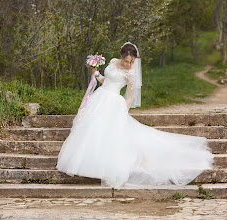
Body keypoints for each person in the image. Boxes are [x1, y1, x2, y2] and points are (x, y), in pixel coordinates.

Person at [56, 42, 214, 189]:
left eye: (131, 62)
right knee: (91, 130)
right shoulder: (111, 62)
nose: (129, 64)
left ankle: (105, 167)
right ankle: (87, 164)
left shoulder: (130, 73)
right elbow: (106, 81)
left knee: (109, 134)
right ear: (121, 55)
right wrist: (95, 72)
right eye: (126, 61)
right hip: (100, 97)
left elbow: (130, 96)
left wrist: (123, 112)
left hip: (114, 103)